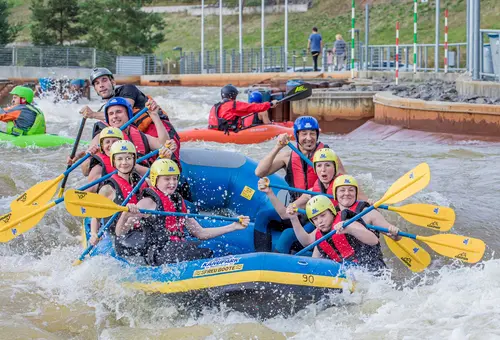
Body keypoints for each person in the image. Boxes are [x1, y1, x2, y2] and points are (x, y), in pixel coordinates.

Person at [115, 158, 250, 266]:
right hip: (160, 252)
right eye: (167, 179)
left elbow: (200, 233)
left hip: (177, 247)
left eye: (174, 178)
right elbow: (120, 232)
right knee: (209, 250)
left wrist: (233, 227)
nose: (172, 183)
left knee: (218, 246)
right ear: (156, 180)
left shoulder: (177, 201)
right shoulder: (148, 203)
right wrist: (125, 215)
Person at [286, 176, 401, 271]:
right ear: (335, 194)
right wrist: (294, 219)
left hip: (369, 267)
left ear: (356, 193)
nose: (346, 193)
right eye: (342, 190)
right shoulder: (328, 219)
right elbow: (308, 242)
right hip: (346, 270)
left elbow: (375, 240)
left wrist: (394, 233)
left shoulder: (365, 213)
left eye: (351, 190)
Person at [79, 67, 180, 160]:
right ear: (95, 89)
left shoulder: (127, 89)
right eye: (97, 83)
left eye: (104, 80)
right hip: (142, 137)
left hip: (160, 129)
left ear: (113, 82)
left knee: (166, 162)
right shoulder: (104, 108)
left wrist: (92, 115)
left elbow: (128, 109)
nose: (101, 85)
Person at [89, 140, 149, 250]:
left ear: (134, 160)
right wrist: (93, 234)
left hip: (140, 229)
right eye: (120, 159)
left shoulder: (140, 181)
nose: (124, 162)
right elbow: (96, 216)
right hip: (121, 236)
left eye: (128, 158)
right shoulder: (108, 188)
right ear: (114, 162)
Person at [208, 84, 278, 134]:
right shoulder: (234, 105)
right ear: (233, 95)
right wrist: (270, 104)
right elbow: (254, 107)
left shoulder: (215, 106)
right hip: (227, 133)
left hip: (214, 130)